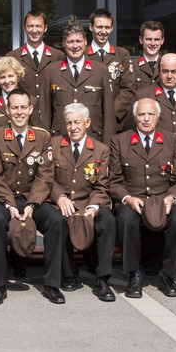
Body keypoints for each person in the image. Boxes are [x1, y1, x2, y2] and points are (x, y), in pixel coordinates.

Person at [109, 97, 176, 299]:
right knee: (126, 219)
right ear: (134, 116)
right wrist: (127, 198)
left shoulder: (172, 140)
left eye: (151, 114)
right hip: (133, 198)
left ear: (158, 116)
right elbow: (114, 181)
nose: (146, 119)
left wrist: (171, 198)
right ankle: (134, 274)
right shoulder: (120, 141)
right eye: (142, 114)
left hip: (163, 199)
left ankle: (168, 275)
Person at [0, 88, 55, 305]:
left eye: (23, 107)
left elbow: (45, 176)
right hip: (2, 198)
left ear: (31, 109)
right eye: (15, 107)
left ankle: (52, 284)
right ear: (7, 110)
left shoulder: (43, 137)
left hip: (32, 197)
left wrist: (32, 205)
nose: (19, 112)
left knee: (57, 221)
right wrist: (10, 205)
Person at [43, 102, 116, 303]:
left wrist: (93, 207)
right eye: (69, 123)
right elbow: (47, 178)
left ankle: (102, 279)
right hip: (63, 201)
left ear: (87, 122)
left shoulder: (101, 150)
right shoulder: (53, 145)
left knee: (107, 221)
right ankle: (69, 274)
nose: (73, 127)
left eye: (77, 122)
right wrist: (60, 197)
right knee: (59, 221)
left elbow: (102, 185)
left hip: (89, 202)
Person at [45, 22, 115, 142]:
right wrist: (46, 144)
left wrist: (107, 146)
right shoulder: (51, 71)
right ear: (63, 43)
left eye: (78, 41)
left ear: (85, 42)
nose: (75, 46)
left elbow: (108, 112)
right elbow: (45, 112)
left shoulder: (101, 70)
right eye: (70, 42)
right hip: (60, 140)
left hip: (93, 140)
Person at [129, 53, 176, 135]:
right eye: (165, 71)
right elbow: (131, 131)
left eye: (174, 72)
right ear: (158, 72)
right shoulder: (142, 96)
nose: (169, 76)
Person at [87, 8, 135, 125]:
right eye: (99, 27)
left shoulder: (122, 54)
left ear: (112, 28)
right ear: (91, 27)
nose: (103, 31)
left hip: (115, 121)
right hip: (89, 121)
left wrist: (111, 113)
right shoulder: (83, 54)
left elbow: (129, 87)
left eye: (107, 27)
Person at [130, 20, 166, 91]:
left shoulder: (168, 65)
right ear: (141, 40)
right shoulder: (131, 66)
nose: (153, 43)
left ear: (162, 41)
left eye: (156, 39)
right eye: (149, 39)